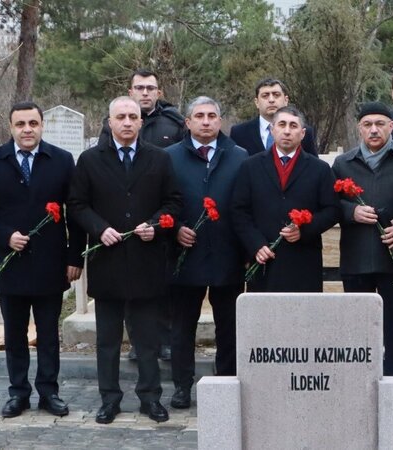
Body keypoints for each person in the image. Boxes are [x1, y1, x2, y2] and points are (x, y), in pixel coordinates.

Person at [68, 96, 182, 424]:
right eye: (121, 117)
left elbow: (173, 202)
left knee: (147, 341)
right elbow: (77, 205)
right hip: (108, 263)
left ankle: (150, 397)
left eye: (133, 116)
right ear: (109, 121)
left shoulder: (159, 159)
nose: (128, 122)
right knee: (108, 341)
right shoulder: (90, 160)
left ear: (141, 122)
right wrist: (99, 228)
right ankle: (110, 399)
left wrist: (157, 225)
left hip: (146, 262)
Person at [0, 101, 85, 418]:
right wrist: (5, 235)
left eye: (33, 123)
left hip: (50, 263)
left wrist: (75, 256)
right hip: (11, 264)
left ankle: (49, 393)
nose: (27, 130)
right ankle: (18, 393)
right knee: (15, 334)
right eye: (20, 124)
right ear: (11, 127)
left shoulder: (61, 161)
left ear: (41, 125)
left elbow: (74, 213)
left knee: (49, 334)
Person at [97, 69, 185, 362]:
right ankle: (138, 341)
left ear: (159, 93)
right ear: (130, 91)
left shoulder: (173, 123)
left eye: (150, 88)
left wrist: (162, 223)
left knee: (163, 286)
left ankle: (165, 338)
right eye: (139, 87)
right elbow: (103, 167)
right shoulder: (111, 124)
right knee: (128, 289)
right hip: (123, 226)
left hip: (160, 222)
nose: (145, 92)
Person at [165, 96, 248, 409]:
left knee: (229, 326)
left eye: (212, 115)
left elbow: (245, 204)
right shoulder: (169, 157)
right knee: (182, 327)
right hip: (185, 256)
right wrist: (174, 229)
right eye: (199, 116)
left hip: (228, 256)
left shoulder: (239, 156)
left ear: (220, 120)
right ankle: (182, 386)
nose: (206, 121)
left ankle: (226, 382)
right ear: (187, 122)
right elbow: (162, 202)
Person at [332, 102, 393, 376]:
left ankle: (392, 379)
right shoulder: (343, 163)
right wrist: (351, 211)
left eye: (380, 123)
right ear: (359, 128)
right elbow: (329, 205)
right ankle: (358, 377)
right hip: (356, 257)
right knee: (357, 324)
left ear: (391, 126)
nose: (374, 129)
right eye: (367, 125)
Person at [232, 106, 338, 292]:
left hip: (304, 259)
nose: (287, 131)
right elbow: (239, 211)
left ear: (303, 133)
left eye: (293, 126)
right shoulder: (250, 166)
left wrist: (304, 230)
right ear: (272, 130)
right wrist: (256, 244)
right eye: (282, 124)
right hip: (264, 258)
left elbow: (332, 210)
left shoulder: (319, 169)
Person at [229, 78, 318, 156]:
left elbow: (313, 167)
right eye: (265, 96)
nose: (271, 100)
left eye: (276, 95)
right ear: (256, 102)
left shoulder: (303, 132)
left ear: (286, 100)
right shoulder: (239, 133)